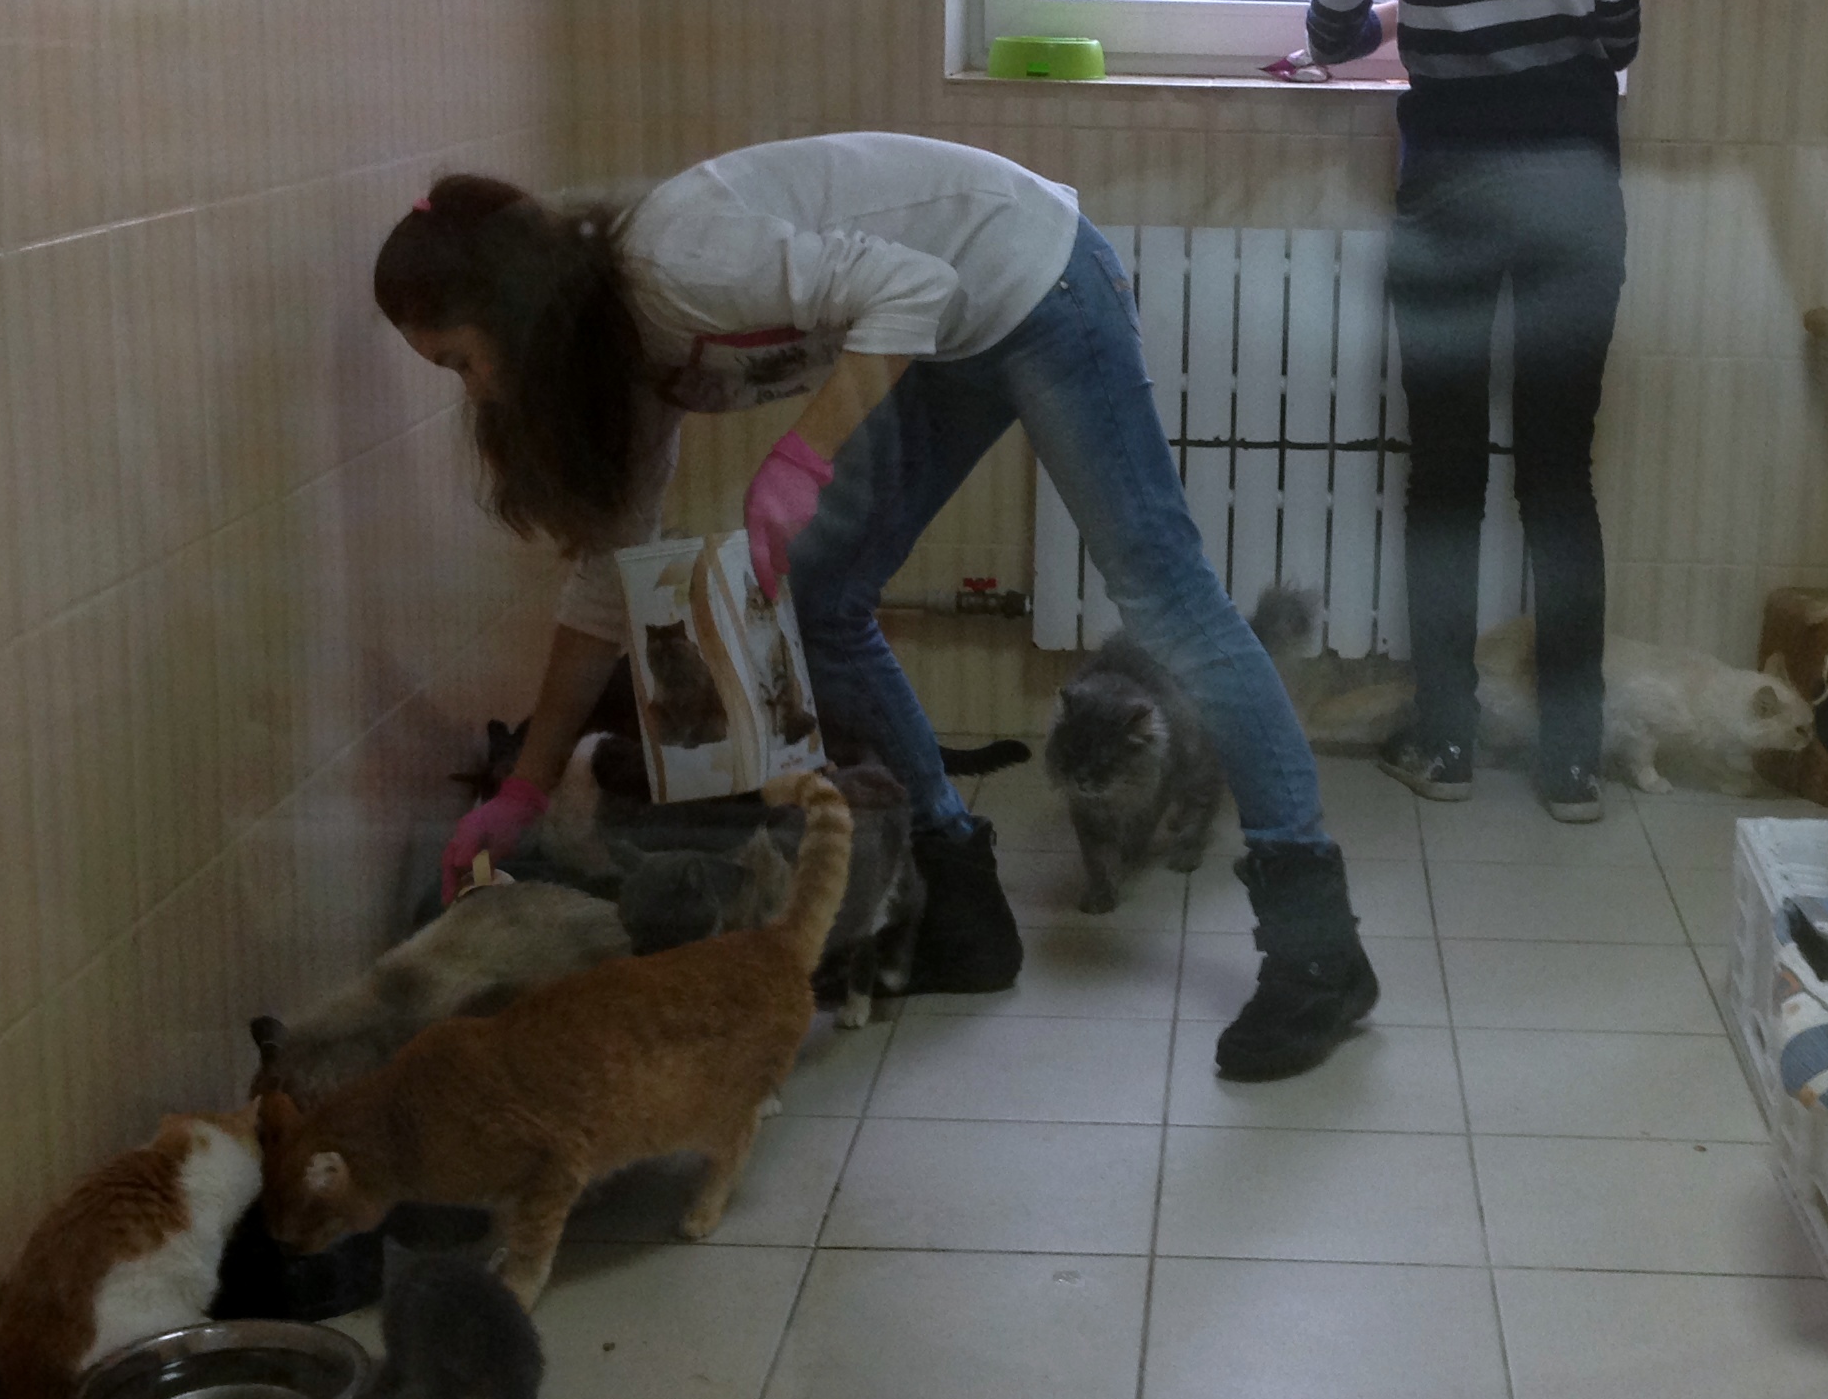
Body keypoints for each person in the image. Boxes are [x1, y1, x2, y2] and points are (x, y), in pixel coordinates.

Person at [371, 135, 1384, 1080]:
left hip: (1037, 275)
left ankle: (1319, 956)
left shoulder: (673, 265)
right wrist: (527, 790)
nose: (479, 393)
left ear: (512, 308)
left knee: (1167, 600)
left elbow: (916, 285)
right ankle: (959, 913)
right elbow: (606, 577)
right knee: (824, 600)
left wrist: (802, 458)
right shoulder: (614, 351)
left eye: (462, 361)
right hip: (949, 329)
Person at [1285, 0, 1641, 821]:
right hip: (1574, 191)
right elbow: (1620, 30)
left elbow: (1331, 30)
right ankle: (1573, 762)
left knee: (1443, 477)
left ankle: (1443, 743)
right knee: (1558, 474)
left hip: (1449, 191)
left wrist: (1410, 19)